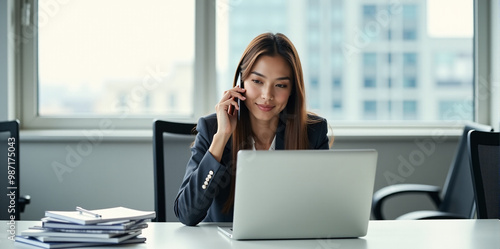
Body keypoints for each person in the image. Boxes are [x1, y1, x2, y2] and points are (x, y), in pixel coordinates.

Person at [174, 33, 331, 226]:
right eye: (257, 81)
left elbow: (324, 210)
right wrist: (222, 137)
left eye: (280, 85)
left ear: (292, 91)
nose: (267, 95)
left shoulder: (313, 132)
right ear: (241, 81)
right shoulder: (212, 128)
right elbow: (187, 214)